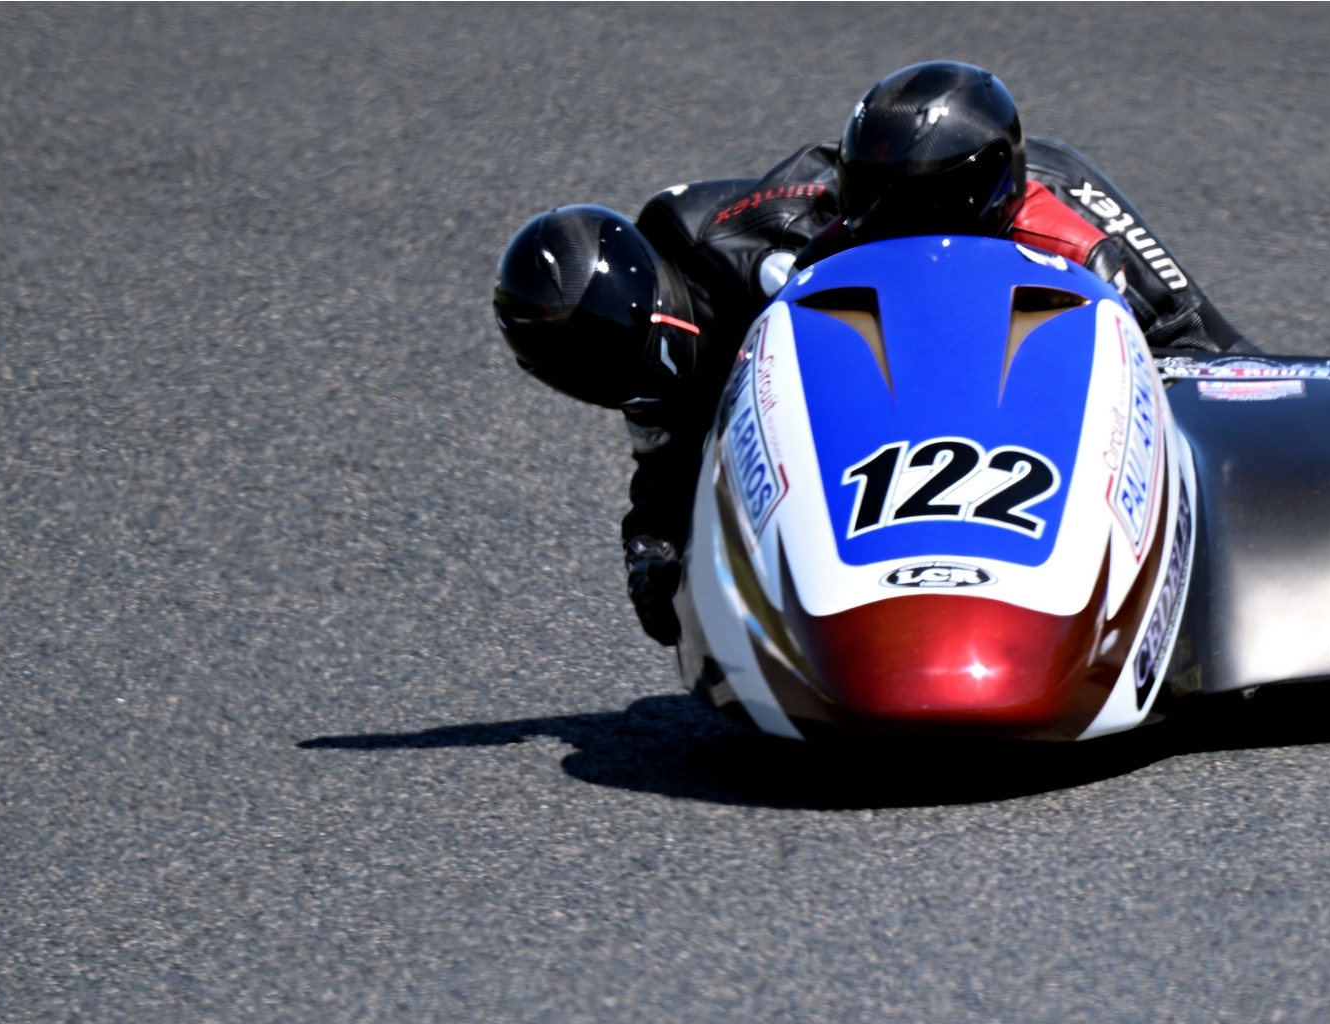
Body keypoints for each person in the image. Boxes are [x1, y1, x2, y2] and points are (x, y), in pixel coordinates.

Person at [493, 61, 1257, 645]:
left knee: (1208, 363)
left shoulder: (1047, 203)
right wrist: (653, 543)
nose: (643, 380)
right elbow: (663, 443)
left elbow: (1212, 352)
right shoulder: (663, 330)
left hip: (1024, 275)